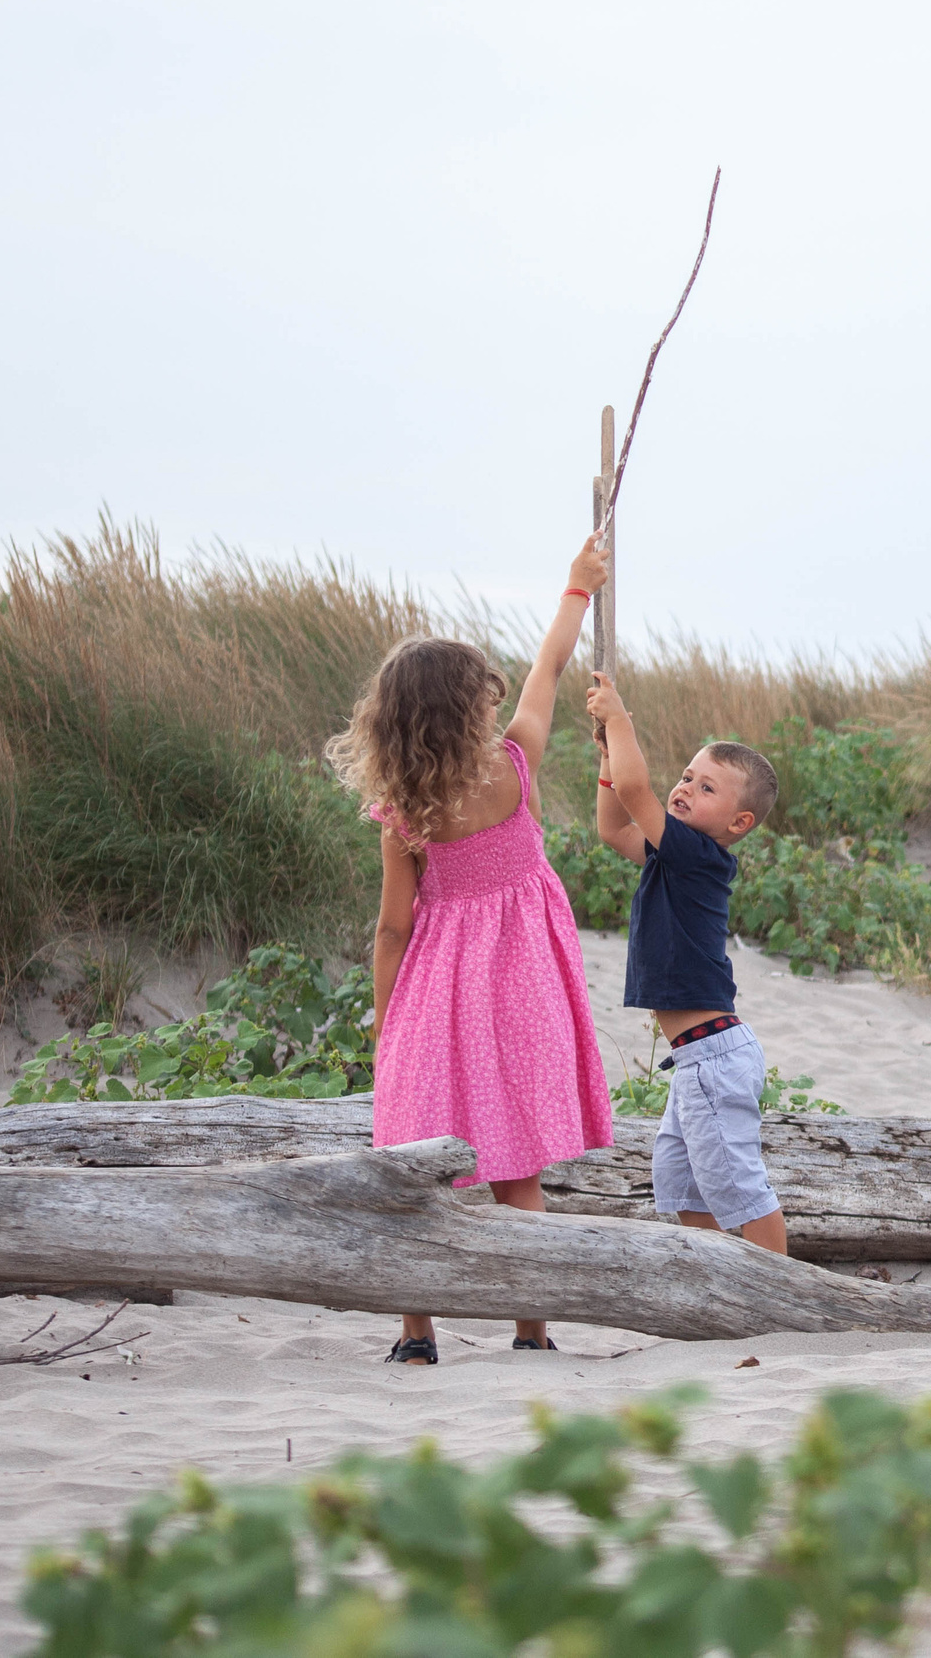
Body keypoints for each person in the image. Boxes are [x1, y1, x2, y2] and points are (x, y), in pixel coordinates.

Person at [325, 535, 616, 1364]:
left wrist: (388, 1024)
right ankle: (532, 1327)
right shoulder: (513, 766)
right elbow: (549, 670)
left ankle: (416, 1336)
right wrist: (577, 588)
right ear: (469, 712)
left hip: (439, 991)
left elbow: (392, 928)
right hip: (522, 983)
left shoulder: (405, 811)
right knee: (517, 1162)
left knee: (421, 1163)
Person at [583, 672, 789, 1256]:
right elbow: (612, 825)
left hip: (713, 1058)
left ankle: (780, 1289)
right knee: (683, 1184)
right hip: (695, 1059)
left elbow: (634, 789)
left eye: (706, 789)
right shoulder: (669, 855)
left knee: (742, 1188)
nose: (684, 790)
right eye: (685, 778)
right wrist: (605, 755)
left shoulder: (699, 856)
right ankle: (719, 1275)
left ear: (738, 823)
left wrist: (619, 717)